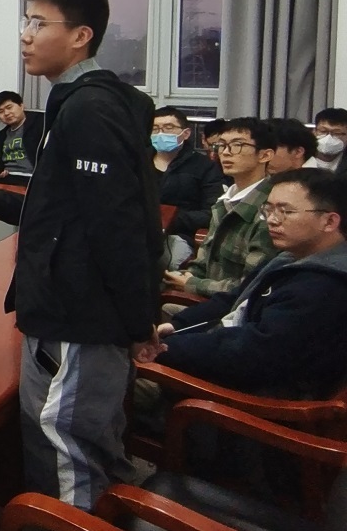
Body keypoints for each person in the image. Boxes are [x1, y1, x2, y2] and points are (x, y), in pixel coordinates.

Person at [0, 0, 160, 531]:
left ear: (81, 35)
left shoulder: (89, 109)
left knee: (70, 462)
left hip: (78, 322)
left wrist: (138, 321)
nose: (25, 35)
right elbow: (69, 212)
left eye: (39, 23)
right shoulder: (82, 103)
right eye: (26, 21)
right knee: (84, 451)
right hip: (74, 313)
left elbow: (120, 226)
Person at [140, 170, 347, 400]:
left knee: (124, 377)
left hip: (257, 396)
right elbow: (233, 300)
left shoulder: (324, 285)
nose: (272, 220)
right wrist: (177, 326)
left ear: (330, 221)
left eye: (285, 211)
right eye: (268, 209)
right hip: (231, 349)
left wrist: (164, 349)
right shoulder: (289, 257)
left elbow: (254, 354)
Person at [163, 117, 278, 299]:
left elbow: (253, 285)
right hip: (209, 298)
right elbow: (203, 261)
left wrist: (193, 284)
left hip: (238, 306)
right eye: (222, 145)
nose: (226, 153)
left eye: (238, 145)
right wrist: (187, 276)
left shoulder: (272, 208)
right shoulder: (224, 200)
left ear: (265, 155)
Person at [153, 105, 224, 268]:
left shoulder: (204, 167)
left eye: (168, 128)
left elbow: (212, 212)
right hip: (137, 231)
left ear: (185, 133)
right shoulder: (139, 162)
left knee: (159, 260)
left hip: (179, 235)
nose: (161, 133)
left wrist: (171, 219)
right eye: (155, 129)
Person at [0, 90, 44, 183]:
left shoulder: (40, 125)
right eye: (1, 111)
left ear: (21, 106)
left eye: (9, 107)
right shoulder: (0, 136)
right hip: (6, 178)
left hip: (31, 178)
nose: (6, 113)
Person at [312, 107, 347, 175]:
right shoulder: (299, 157)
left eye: (337, 133)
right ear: (314, 132)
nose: (328, 137)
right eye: (323, 131)